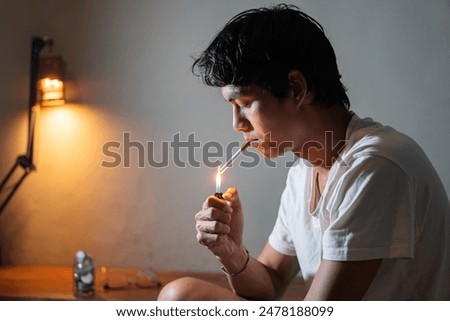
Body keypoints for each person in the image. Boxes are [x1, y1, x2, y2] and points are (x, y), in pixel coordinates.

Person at [157, 4, 450, 300]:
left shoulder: (375, 166)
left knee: (180, 296)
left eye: (244, 103)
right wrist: (230, 251)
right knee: (180, 295)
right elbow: (270, 282)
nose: (236, 124)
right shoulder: (303, 171)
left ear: (296, 88)